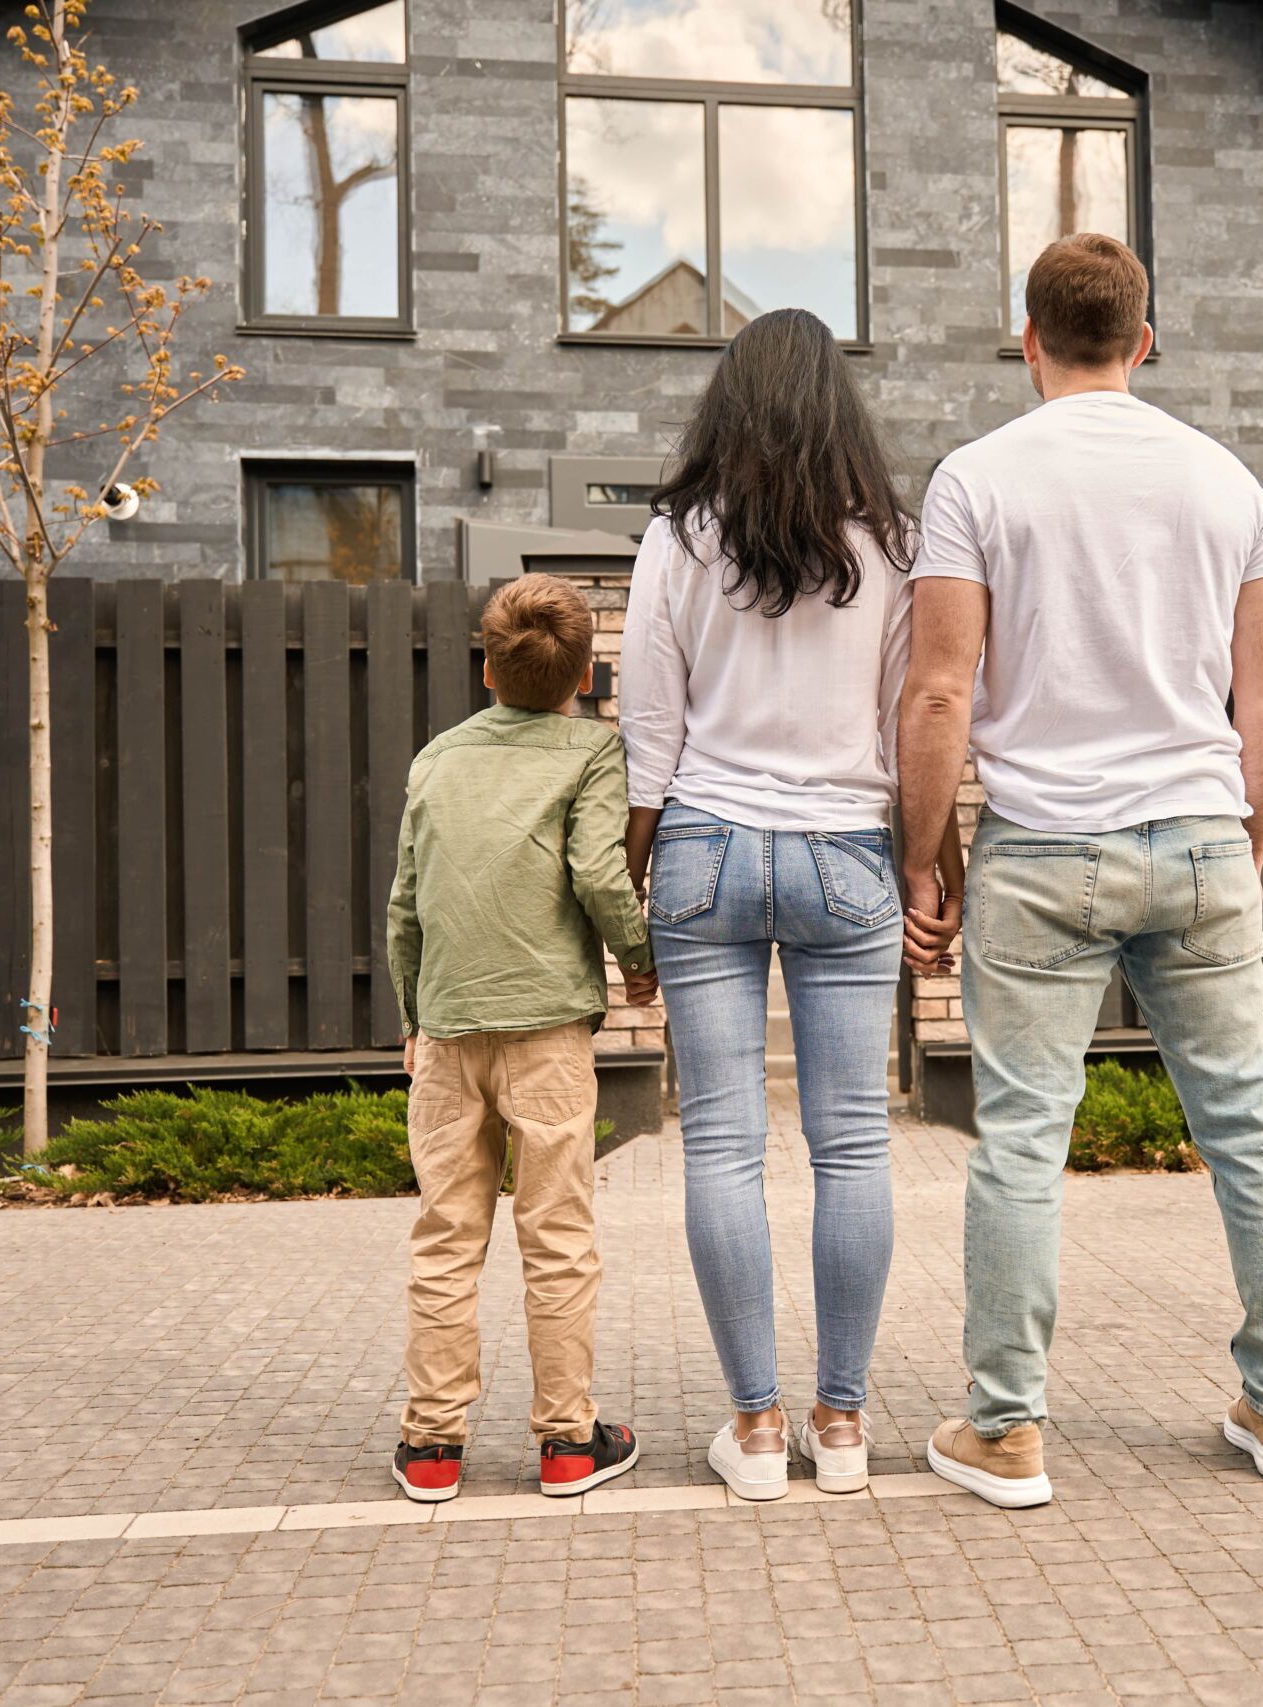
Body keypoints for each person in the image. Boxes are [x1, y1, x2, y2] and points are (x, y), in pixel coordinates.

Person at [896, 234, 1263, 1509]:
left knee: (1022, 1139)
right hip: (1198, 834)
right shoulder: (1229, 485)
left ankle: (1008, 1430)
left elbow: (936, 691)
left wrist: (922, 859)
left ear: (1027, 338)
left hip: (1040, 853)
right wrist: (1236, 845)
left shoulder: (974, 480)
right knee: (1247, 1128)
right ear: (1143, 341)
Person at [620, 308, 962, 1502]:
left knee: (719, 1143)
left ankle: (756, 1431)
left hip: (706, 845)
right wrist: (934, 854)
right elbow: (909, 711)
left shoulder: (678, 536)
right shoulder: (893, 543)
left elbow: (648, 723)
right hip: (844, 854)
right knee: (853, 1142)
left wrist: (637, 863)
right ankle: (846, 1427)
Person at [384, 572, 659, 1503]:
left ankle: (432, 1447)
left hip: (450, 1029)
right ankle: (568, 1443)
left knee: (446, 1238)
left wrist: (414, 1019)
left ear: (487, 667)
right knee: (559, 1236)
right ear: (585, 673)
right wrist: (639, 957)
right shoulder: (590, 754)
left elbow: (405, 906)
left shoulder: (435, 760)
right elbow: (597, 870)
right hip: (547, 1031)